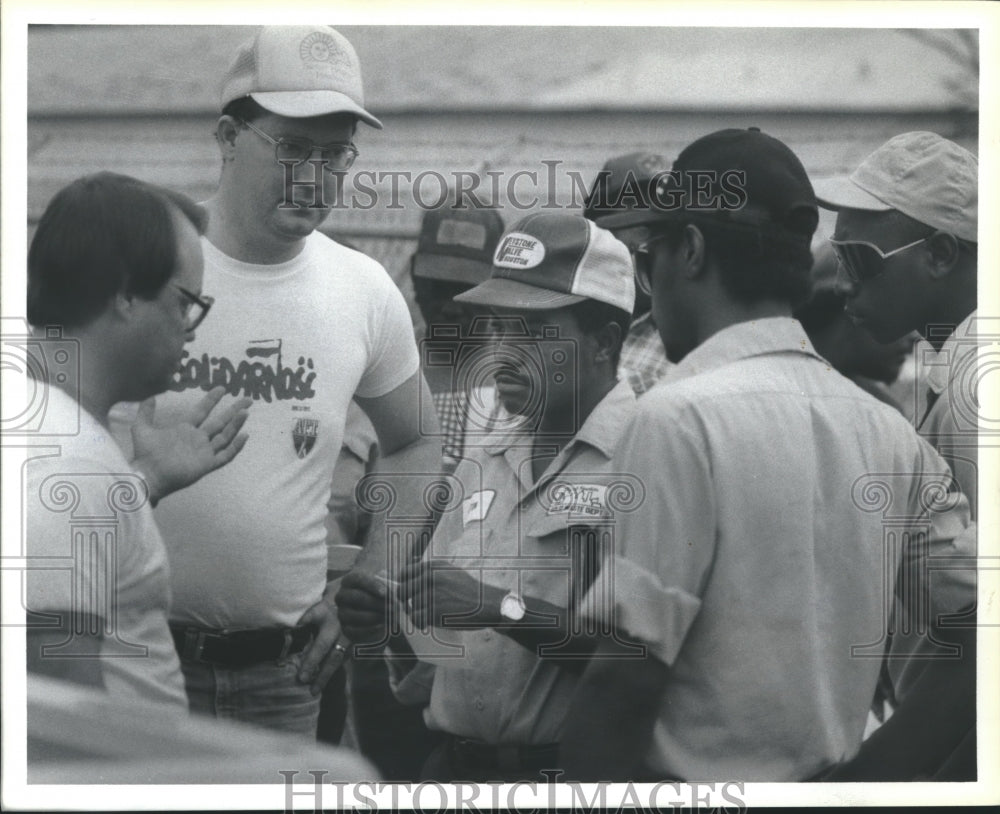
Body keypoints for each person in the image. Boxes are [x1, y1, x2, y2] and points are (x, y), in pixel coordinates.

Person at [559, 128, 975, 781]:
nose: (650, 287)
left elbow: (623, 679)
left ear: (690, 251)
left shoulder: (675, 418)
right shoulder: (888, 431)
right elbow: (979, 625)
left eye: (648, 260)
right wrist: (870, 778)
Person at [136, 25, 442, 737]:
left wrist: (371, 579)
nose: (315, 177)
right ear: (227, 137)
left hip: (286, 678)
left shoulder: (363, 289)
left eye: (335, 155)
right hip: (139, 661)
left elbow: (417, 443)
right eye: (294, 149)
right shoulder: (147, 262)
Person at [337, 212, 637, 780]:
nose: (505, 352)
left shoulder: (642, 458)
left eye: (534, 332)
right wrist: (387, 622)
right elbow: (437, 650)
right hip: (456, 768)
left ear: (603, 343)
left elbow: (632, 658)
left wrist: (499, 607)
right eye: (499, 328)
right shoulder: (484, 457)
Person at [25, 172, 250, 708]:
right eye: (185, 302)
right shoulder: (71, 460)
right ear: (126, 294)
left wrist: (142, 481)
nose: (190, 328)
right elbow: (60, 712)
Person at [813, 131, 979, 779]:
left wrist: (893, 779)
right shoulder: (954, 372)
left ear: (940, 253)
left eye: (860, 259)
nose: (842, 284)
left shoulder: (975, 397)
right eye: (839, 257)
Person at [331, 205, 506, 774]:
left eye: (467, 288)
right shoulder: (386, 373)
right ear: (412, 272)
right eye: (437, 284)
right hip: (384, 634)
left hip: (479, 637)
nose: (450, 303)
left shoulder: (517, 381)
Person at [583, 151, 672, 395]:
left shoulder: (690, 334)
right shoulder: (570, 318)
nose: (651, 234)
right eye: (635, 213)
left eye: (663, 218)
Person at [794, 242, 916, 416]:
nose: (914, 336)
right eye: (901, 310)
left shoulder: (882, 412)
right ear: (850, 303)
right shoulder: (877, 417)